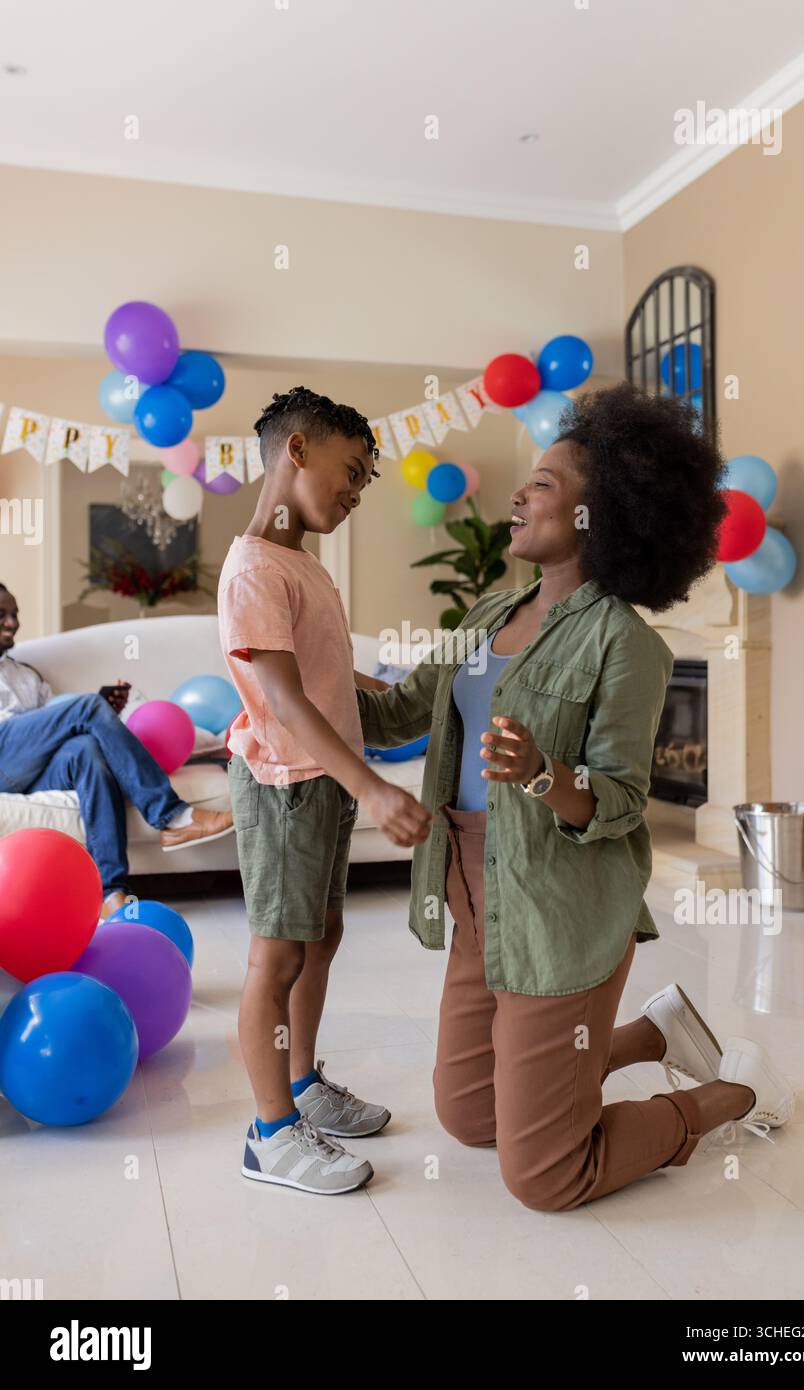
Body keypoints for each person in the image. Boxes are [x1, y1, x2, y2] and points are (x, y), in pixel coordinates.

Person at [356, 382, 795, 1212]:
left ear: (603, 518)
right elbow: (393, 712)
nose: (518, 495)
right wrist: (293, 667)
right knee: (468, 1115)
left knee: (546, 1176)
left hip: (560, 910)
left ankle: (735, 1093)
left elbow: (623, 800)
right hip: (476, 899)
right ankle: (654, 1035)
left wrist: (541, 775)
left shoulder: (626, 644)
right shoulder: (487, 612)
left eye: (544, 484)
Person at [218, 386, 431, 1196]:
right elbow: (282, 700)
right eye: (349, 471)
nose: (354, 491)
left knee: (321, 937)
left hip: (319, 785)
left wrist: (415, 691)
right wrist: (373, 789)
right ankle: (270, 1134)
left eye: (365, 481)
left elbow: (329, 678)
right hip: (285, 785)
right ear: (295, 451)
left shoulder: (298, 562)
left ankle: (302, 1082)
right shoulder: (252, 567)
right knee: (275, 958)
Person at [0, 584, 234, 919]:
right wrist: (89, 708)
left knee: (87, 750)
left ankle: (109, 891)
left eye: (15, 614)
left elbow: (53, 721)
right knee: (88, 707)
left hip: (32, 767)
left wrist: (106, 706)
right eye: (1, 616)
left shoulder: (25, 673)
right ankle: (172, 816)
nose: (11, 623)